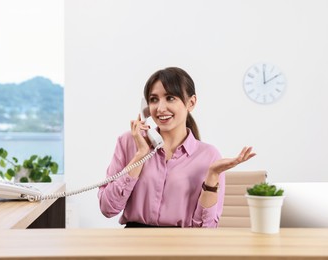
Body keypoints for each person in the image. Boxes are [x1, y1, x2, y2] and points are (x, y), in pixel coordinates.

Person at [98, 67, 255, 228]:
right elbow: (107, 208)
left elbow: (205, 228)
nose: (160, 108)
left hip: (183, 244)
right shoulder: (129, 142)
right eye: (153, 99)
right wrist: (141, 154)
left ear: (191, 103)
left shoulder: (209, 155)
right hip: (134, 242)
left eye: (170, 98)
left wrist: (212, 176)